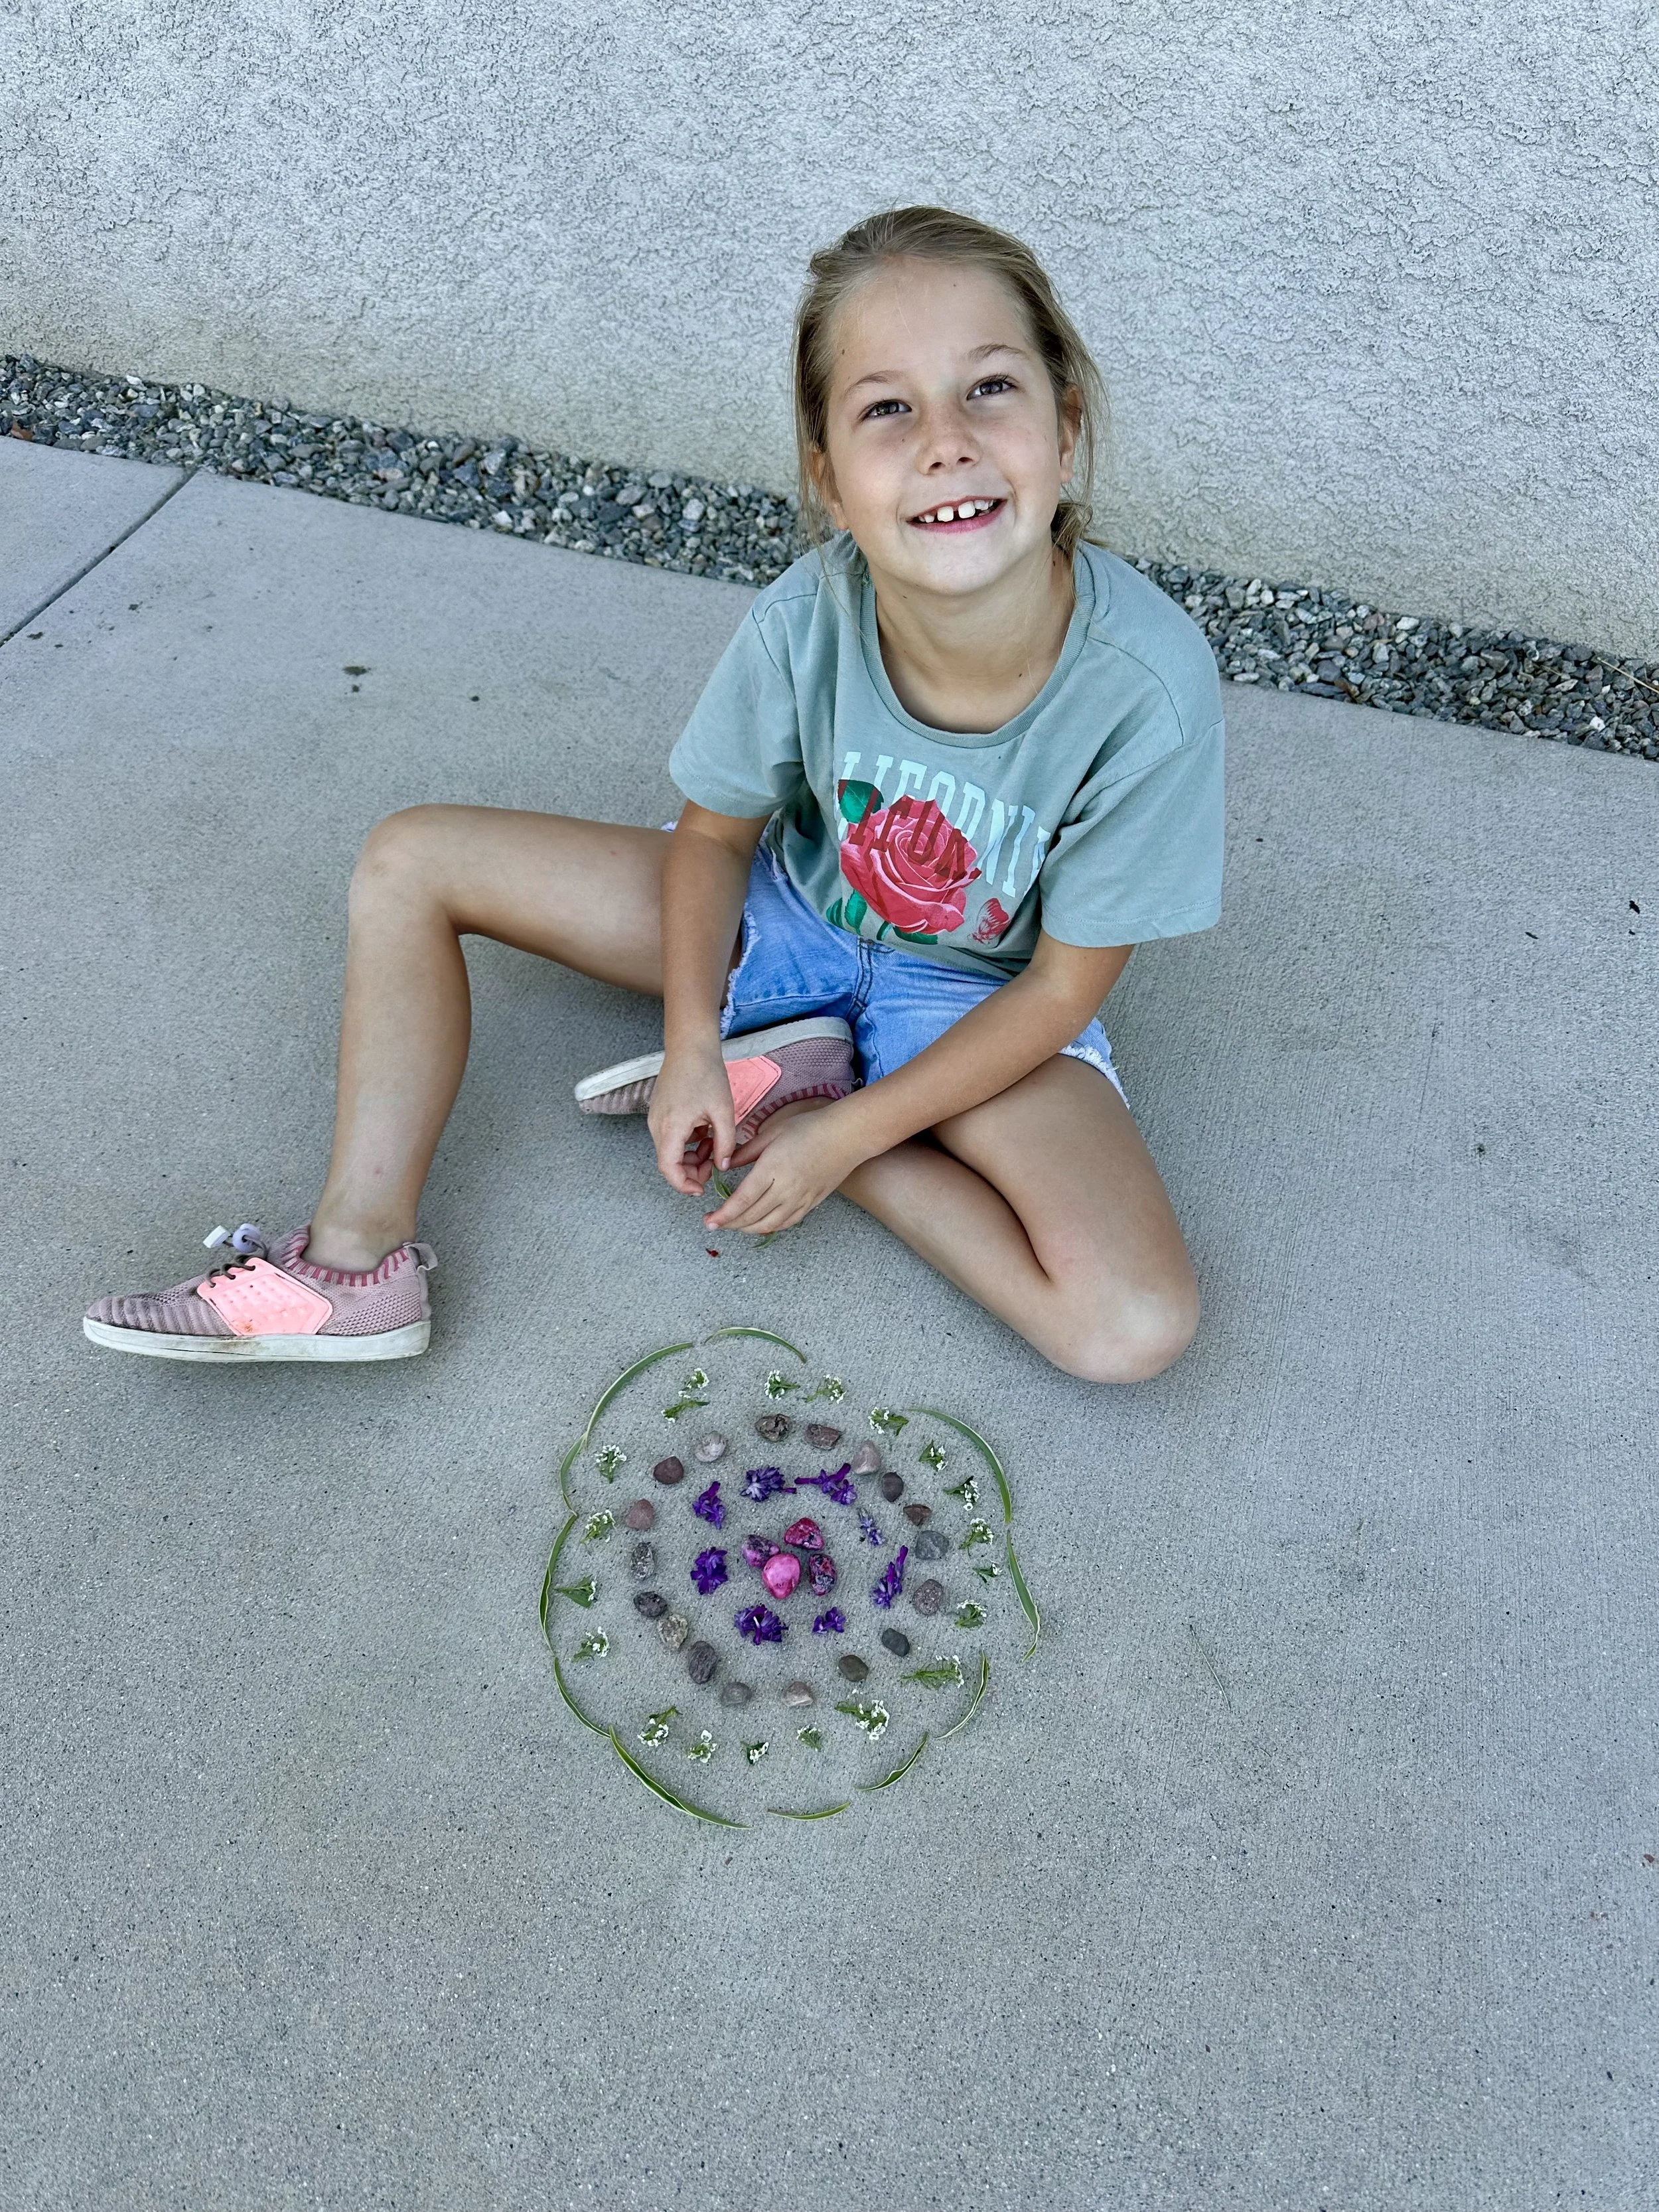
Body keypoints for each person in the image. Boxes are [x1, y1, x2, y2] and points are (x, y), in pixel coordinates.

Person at [84, 204, 1224, 1380]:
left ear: (1067, 425)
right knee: (409, 857)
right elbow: (716, 838)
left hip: (979, 1002)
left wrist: (843, 1143)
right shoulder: (807, 614)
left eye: (990, 387)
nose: (946, 442)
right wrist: (690, 1045)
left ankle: (803, 1088)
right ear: (830, 482)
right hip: (784, 922)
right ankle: (353, 1268)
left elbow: (1058, 986)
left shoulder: (1150, 689)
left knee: (1132, 1325)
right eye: (889, 407)